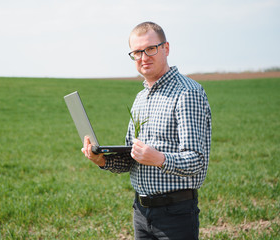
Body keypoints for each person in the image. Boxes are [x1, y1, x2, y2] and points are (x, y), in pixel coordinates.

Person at [82, 21, 211, 240]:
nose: (144, 57)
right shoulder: (140, 99)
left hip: (176, 213)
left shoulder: (187, 93)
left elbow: (196, 161)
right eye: (137, 52)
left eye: (151, 49)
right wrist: (101, 160)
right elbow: (132, 160)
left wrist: (159, 158)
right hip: (141, 212)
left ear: (166, 48)